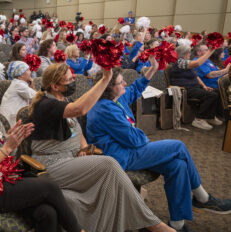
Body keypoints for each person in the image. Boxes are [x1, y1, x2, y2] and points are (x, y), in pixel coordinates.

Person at [87, 57, 231, 232]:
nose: (125, 83)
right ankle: (202, 197)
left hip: (130, 148)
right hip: (120, 156)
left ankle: (177, 223)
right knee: (177, 146)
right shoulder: (104, 109)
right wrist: (140, 134)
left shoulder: (116, 98)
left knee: (176, 164)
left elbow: (135, 88)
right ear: (108, 88)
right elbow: (135, 139)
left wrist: (153, 69)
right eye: (120, 82)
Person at [29, 63, 173, 232]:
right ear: (55, 86)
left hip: (71, 159)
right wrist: (105, 79)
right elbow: (80, 109)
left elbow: (76, 130)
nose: (73, 82)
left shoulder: (62, 99)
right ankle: (152, 225)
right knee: (109, 164)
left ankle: (123, 224)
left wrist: (83, 148)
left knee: (109, 182)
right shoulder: (45, 105)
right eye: (69, 80)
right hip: (52, 164)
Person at [0, 77, 82, 232]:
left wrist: (13, 144)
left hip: (4, 179)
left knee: (47, 213)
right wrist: (6, 148)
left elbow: (8, 158)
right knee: (49, 187)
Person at [171, 44, 222, 130]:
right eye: (188, 53)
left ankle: (209, 117)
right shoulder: (180, 62)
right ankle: (198, 119)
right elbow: (198, 63)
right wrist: (211, 50)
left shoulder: (186, 61)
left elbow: (196, 76)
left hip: (194, 88)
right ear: (183, 54)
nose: (190, 54)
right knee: (211, 95)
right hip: (186, 89)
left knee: (216, 91)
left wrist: (204, 86)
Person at [0, 61, 36, 127]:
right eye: (28, 70)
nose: (30, 72)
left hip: (14, 117)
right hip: (10, 120)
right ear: (21, 74)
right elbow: (37, 97)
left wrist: (32, 84)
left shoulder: (19, 83)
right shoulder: (19, 85)